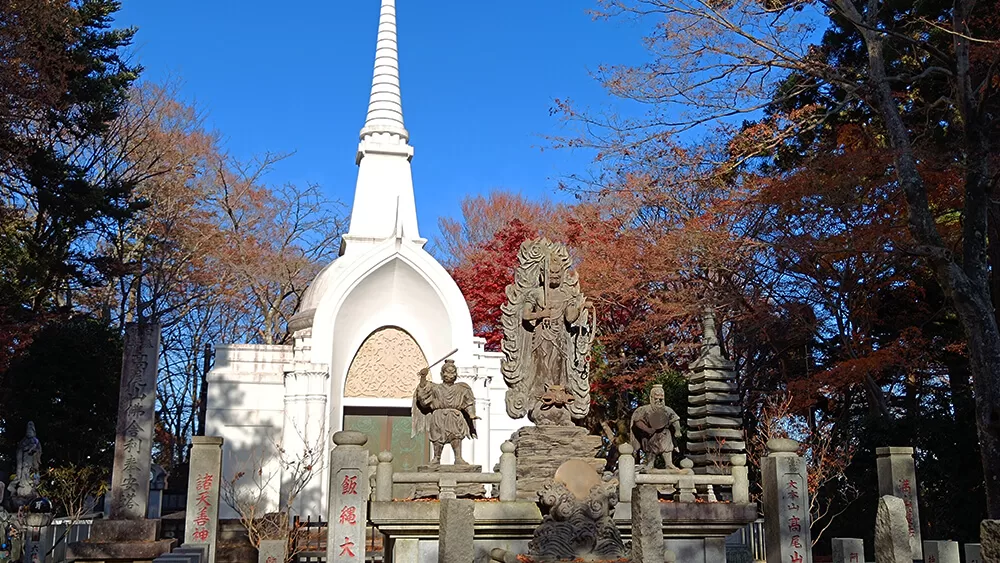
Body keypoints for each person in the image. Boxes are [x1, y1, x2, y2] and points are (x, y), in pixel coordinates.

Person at [412, 360, 479, 465]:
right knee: (437, 438)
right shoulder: (435, 388)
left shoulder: (462, 388)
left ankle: (458, 458)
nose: (450, 375)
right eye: (447, 372)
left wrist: (471, 414)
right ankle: (436, 458)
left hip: (455, 416)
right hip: (439, 416)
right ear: (442, 374)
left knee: (456, 437)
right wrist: (423, 378)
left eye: (453, 372)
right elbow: (422, 397)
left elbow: (468, 402)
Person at [630, 387, 682, 470]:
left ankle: (669, 463)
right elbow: (637, 421)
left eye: (661, 399)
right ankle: (650, 463)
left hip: (665, 433)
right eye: (656, 399)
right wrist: (647, 429)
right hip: (649, 434)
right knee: (650, 448)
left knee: (667, 448)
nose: (659, 401)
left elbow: (675, 419)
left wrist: (678, 431)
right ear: (651, 398)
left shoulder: (667, 410)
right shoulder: (644, 409)